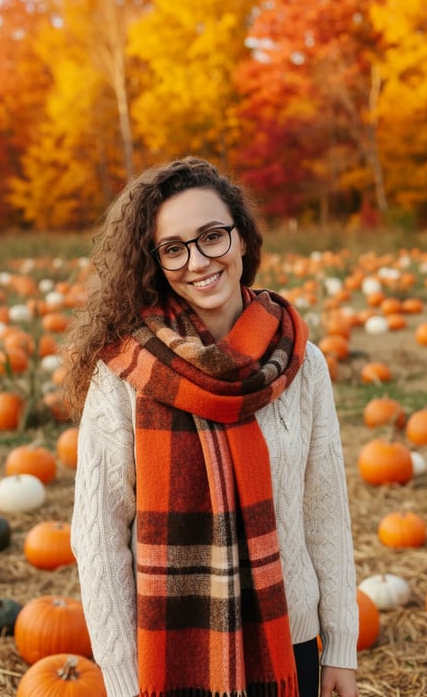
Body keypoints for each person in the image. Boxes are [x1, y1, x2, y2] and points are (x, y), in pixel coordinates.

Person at [63, 157, 359, 697]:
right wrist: (123, 677)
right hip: (171, 648)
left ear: (242, 239)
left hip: (289, 642)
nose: (198, 261)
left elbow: (326, 510)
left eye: (212, 236)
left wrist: (341, 643)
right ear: (156, 263)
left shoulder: (302, 361)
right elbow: (98, 537)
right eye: (174, 248)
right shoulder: (127, 372)